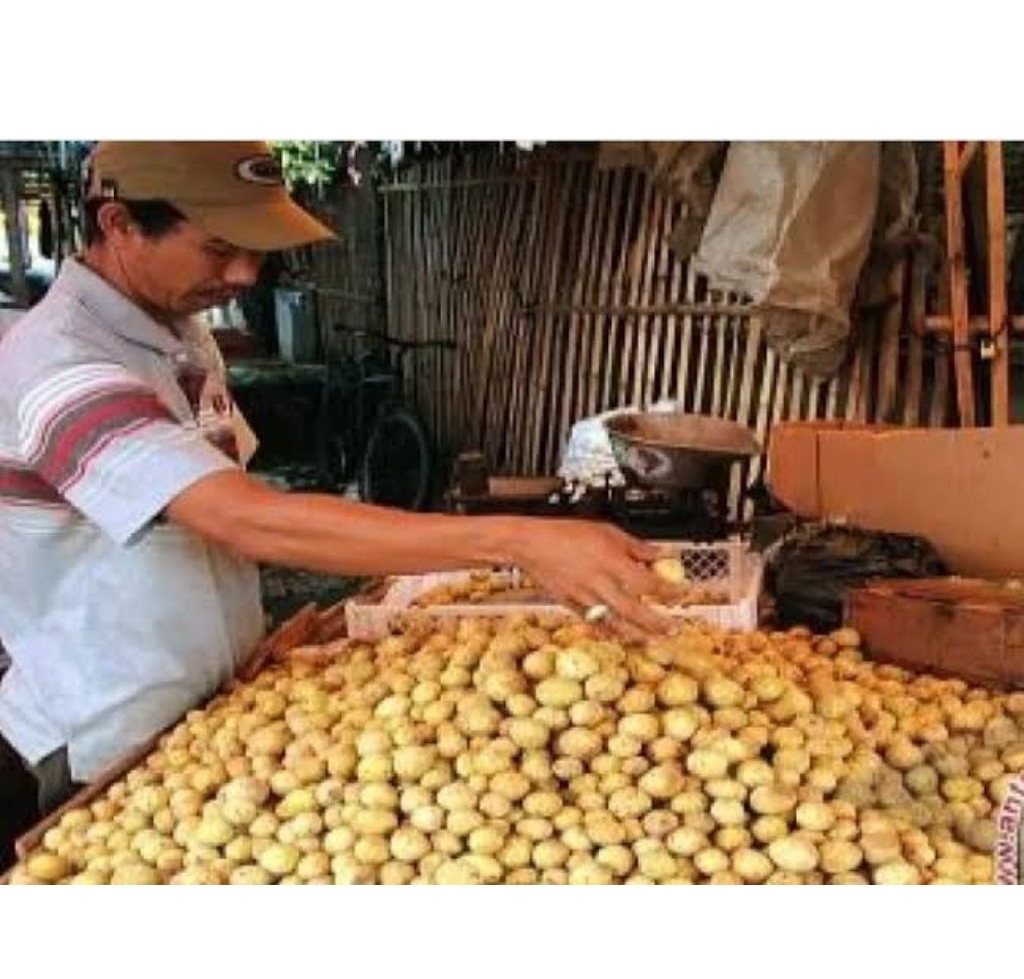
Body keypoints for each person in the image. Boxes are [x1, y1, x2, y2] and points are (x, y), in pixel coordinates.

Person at [0, 141, 675, 868]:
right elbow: (241, 515)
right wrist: (515, 540)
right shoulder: (59, 362)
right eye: (220, 248)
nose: (243, 276)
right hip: (104, 737)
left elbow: (204, 518)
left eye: (254, 252)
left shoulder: (179, 335)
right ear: (120, 224)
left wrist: (244, 638)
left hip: (207, 716)